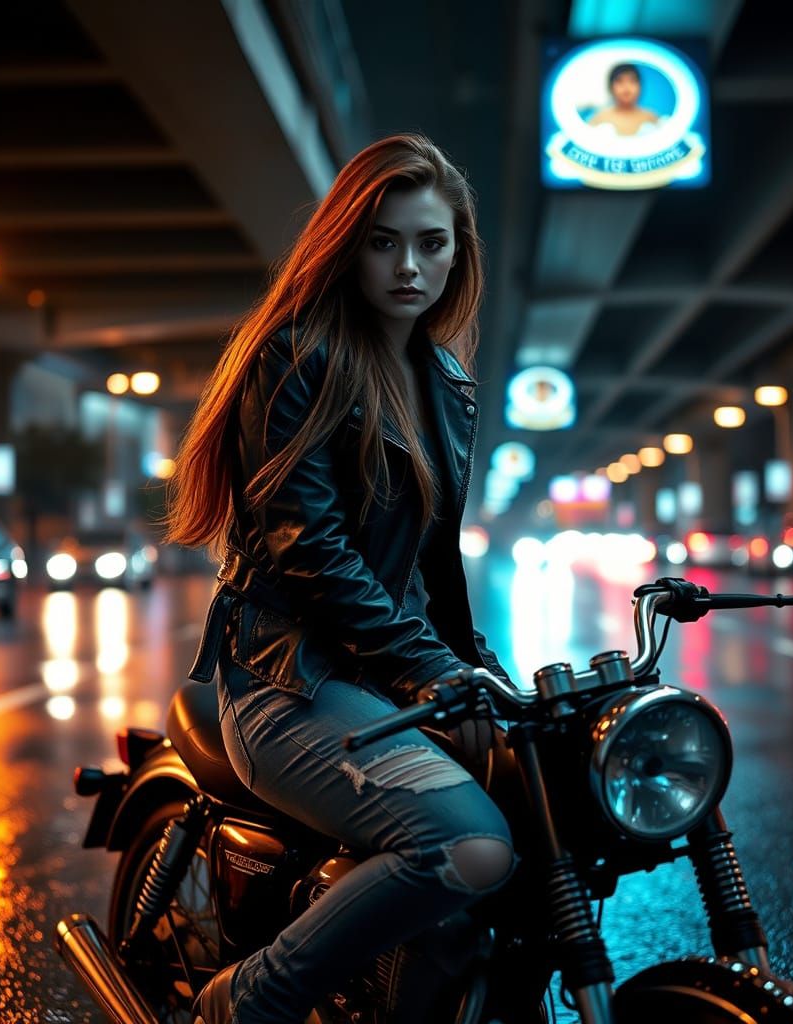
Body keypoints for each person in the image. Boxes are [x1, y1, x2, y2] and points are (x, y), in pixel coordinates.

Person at [165, 133, 519, 1024]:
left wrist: (480, 667)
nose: (410, 266)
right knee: (467, 845)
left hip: (382, 681)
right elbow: (309, 547)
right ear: (346, 244)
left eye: (431, 243)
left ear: (459, 251)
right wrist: (431, 671)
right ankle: (247, 1002)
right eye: (383, 240)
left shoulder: (446, 382)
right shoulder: (298, 355)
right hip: (288, 680)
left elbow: (433, 568)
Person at [586, 62, 660, 136]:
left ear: (640, 86)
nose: (626, 87)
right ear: (611, 86)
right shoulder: (599, 118)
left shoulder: (651, 118)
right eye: (619, 81)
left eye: (632, 81)